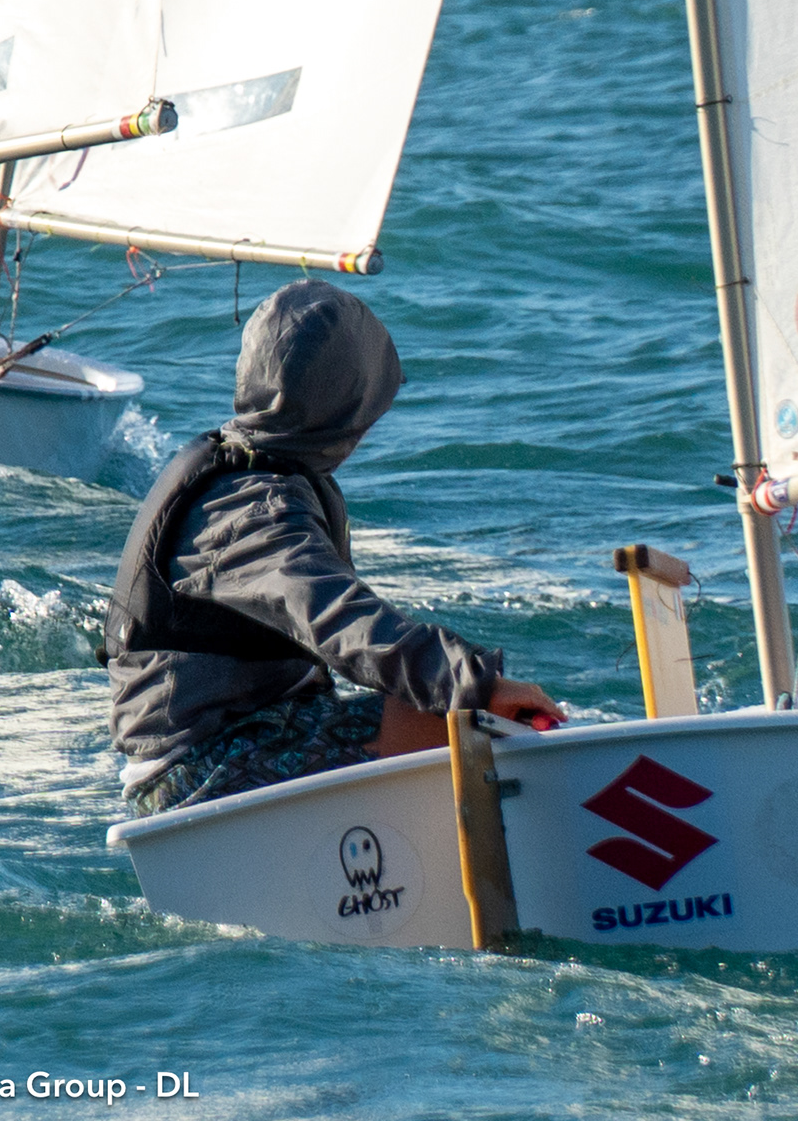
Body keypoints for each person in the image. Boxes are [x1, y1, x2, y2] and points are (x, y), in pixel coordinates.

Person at [108, 279, 563, 818]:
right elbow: (339, 619)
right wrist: (475, 685)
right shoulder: (250, 508)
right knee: (469, 723)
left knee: (448, 715)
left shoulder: (259, 469)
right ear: (341, 409)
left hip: (241, 737)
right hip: (199, 770)